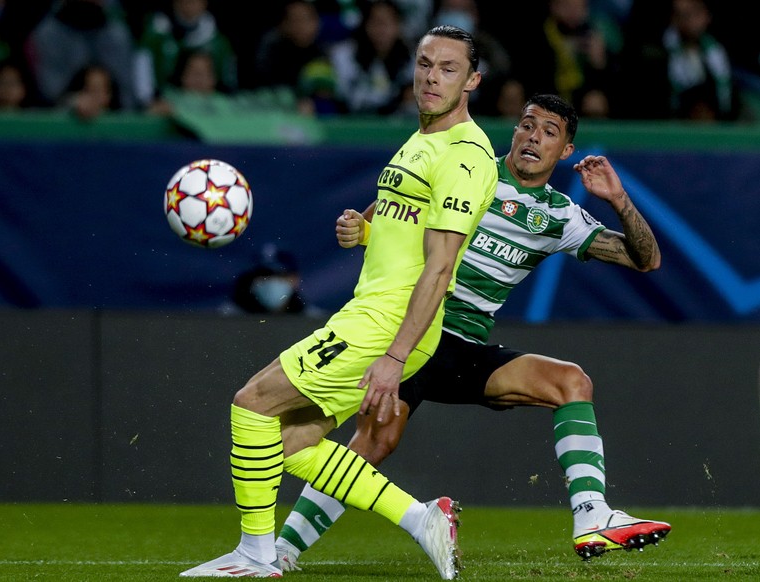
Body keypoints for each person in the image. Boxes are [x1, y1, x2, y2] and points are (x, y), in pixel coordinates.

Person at [274, 94, 672, 569]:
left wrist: (618, 199)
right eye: (527, 125)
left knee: (572, 382)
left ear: (565, 151)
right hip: (414, 333)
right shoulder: (470, 169)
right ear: (514, 131)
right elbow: (385, 216)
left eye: (549, 132)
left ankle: (592, 516)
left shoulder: (560, 216)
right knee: (374, 441)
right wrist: (358, 229)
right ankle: (282, 551)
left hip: (463, 348)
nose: (533, 137)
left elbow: (646, 259)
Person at [179, 24, 498, 579]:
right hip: (375, 310)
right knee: (288, 441)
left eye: (448, 68)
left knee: (251, 403)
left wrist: (395, 358)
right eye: (424, 63)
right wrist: (366, 232)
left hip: (388, 322)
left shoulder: (466, 155)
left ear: (472, 79)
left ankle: (257, 556)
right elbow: (409, 233)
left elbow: (442, 264)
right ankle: (422, 518)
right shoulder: (422, 139)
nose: (431, 77)